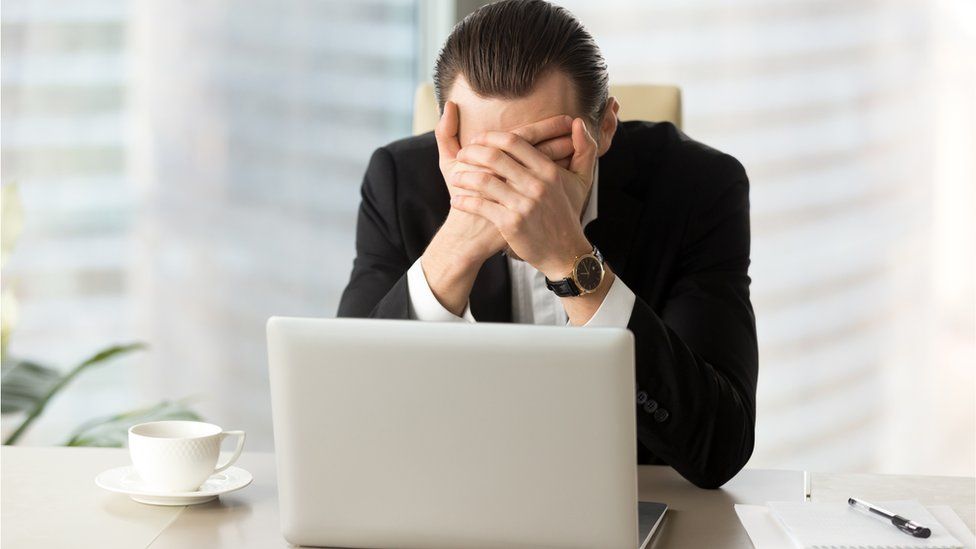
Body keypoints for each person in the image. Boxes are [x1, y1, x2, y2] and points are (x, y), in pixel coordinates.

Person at [337, 0, 757, 489]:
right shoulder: (397, 183)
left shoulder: (699, 186)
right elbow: (346, 423)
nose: (519, 194)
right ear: (446, 137)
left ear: (604, 127)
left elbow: (718, 448)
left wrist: (573, 262)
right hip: (453, 500)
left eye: (539, 155)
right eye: (489, 158)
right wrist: (453, 251)